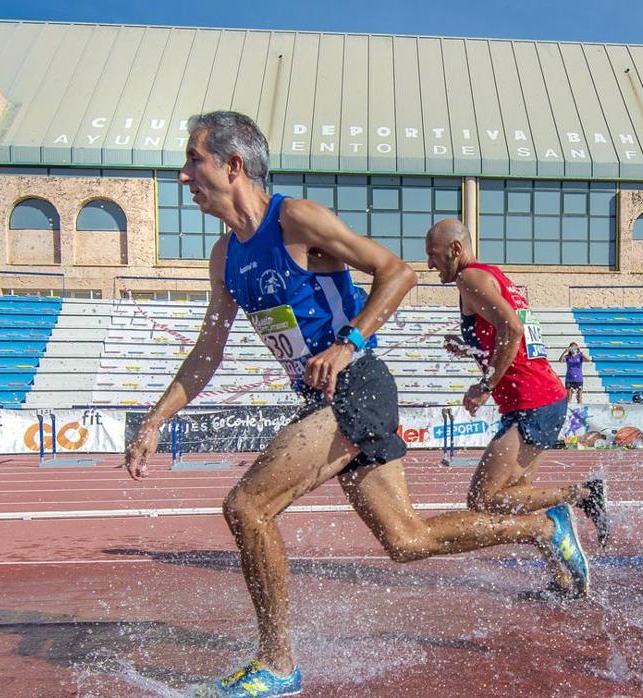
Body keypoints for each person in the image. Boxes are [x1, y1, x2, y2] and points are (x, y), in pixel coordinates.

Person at [122, 112, 590, 698]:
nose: (184, 174)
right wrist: (156, 420)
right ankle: (542, 528)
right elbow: (207, 350)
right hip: (327, 398)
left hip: (358, 385)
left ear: (233, 165)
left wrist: (350, 343)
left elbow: (396, 273)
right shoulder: (225, 258)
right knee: (407, 541)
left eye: (195, 160)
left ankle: (276, 664)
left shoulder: (294, 219)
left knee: (247, 508)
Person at [428, 220, 610, 562]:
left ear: (455, 249)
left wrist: (485, 386)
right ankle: (563, 575)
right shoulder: (492, 275)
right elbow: (516, 336)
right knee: (514, 495)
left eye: (433, 255)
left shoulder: (470, 278)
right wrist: (469, 349)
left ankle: (583, 494)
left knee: (484, 499)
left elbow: (511, 329)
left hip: (532, 401)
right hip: (544, 398)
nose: (429, 265)